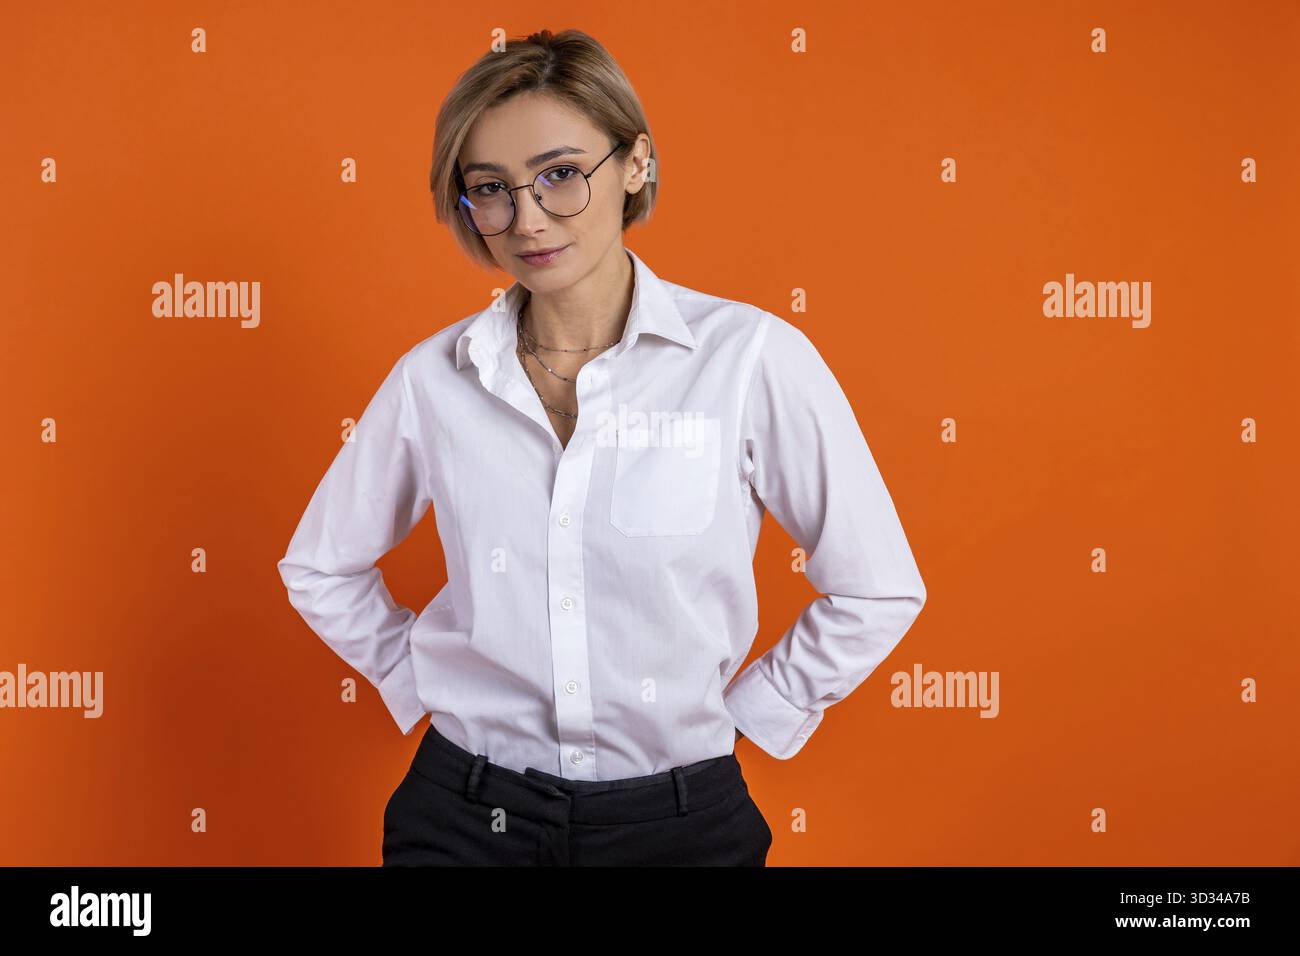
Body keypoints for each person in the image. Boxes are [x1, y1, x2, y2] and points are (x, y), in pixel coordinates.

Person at [276, 28, 926, 867]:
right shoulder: (432, 379)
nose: (527, 219)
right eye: (491, 188)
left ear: (636, 163)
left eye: (559, 175)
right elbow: (320, 566)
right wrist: (421, 682)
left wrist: (755, 713)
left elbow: (877, 588)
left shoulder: (750, 360)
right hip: (466, 819)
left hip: (679, 826)